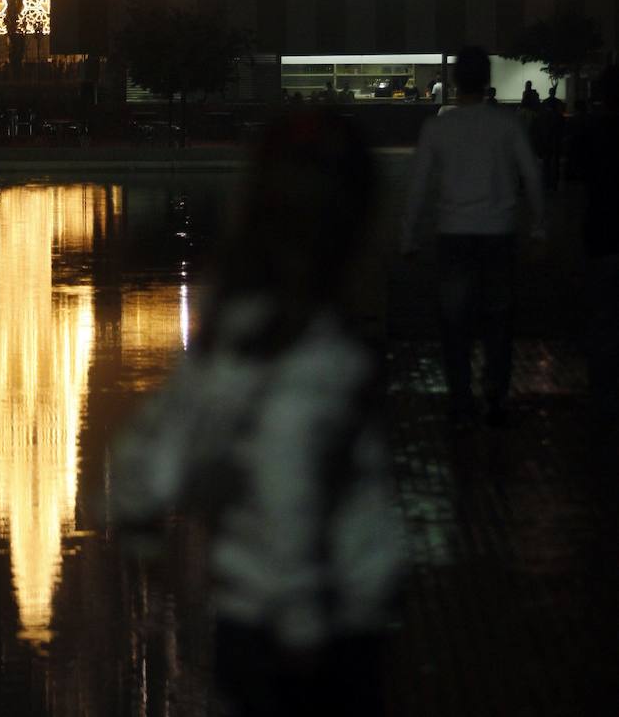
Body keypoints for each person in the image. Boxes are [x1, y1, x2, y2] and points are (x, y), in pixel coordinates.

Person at [110, 111, 405, 717]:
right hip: (323, 633)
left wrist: (148, 538)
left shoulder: (232, 338)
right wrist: (300, 622)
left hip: (247, 623)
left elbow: (144, 467)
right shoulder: (322, 354)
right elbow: (288, 476)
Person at [402, 45, 545, 429]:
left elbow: (417, 184)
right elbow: (531, 175)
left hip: (453, 232)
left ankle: (461, 398)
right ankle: (496, 393)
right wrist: (539, 226)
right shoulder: (507, 124)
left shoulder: (438, 127)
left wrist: (408, 235)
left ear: (454, 80)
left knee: (455, 323)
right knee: (499, 319)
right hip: (498, 232)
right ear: (487, 81)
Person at [568, 67, 619, 420]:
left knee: (602, 315)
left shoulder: (591, 131)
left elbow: (575, 182)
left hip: (602, 230)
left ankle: (602, 393)